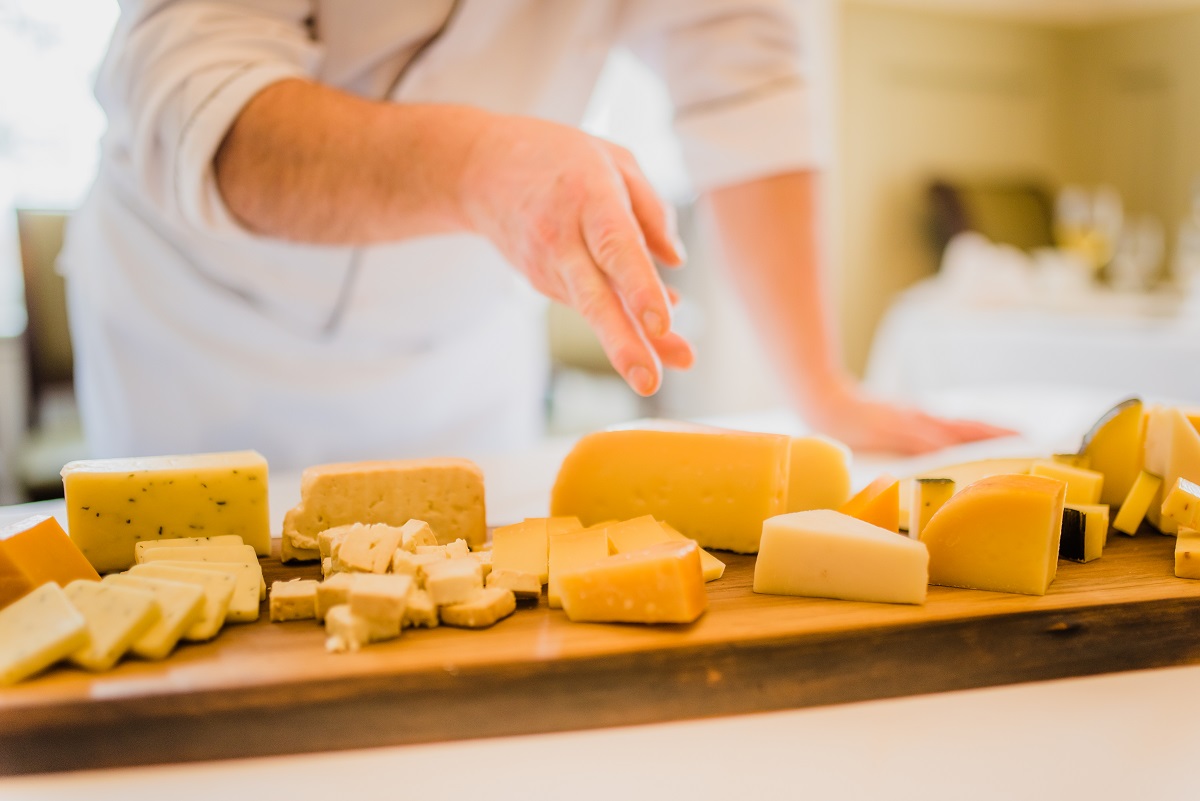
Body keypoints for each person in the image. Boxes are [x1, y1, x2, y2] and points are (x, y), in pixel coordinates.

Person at [62, 0, 1010, 470]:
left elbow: (745, 76)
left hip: (457, 345)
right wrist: (479, 168)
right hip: (199, 330)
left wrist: (822, 386)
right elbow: (199, 98)